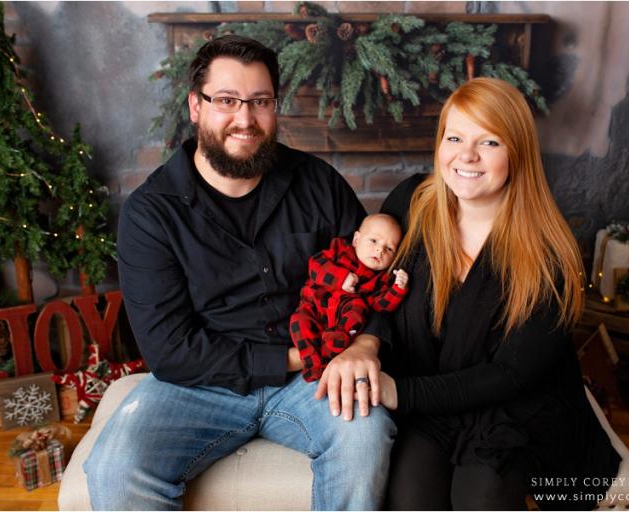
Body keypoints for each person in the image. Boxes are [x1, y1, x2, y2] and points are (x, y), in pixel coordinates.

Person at [83, 35, 395, 510]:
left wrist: (366, 344)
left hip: (315, 382)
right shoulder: (151, 213)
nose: (245, 119)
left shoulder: (317, 183)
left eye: (260, 102)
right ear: (195, 105)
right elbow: (170, 352)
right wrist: (300, 356)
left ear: (275, 106)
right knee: (114, 468)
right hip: (202, 386)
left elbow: (376, 279)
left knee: (363, 437)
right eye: (226, 100)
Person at [377, 78, 622, 510]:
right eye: (455, 137)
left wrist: (400, 392)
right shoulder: (409, 204)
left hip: (511, 409)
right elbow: (370, 290)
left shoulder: (548, 254)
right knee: (410, 501)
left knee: (483, 499)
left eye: (489, 141)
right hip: (431, 403)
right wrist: (363, 345)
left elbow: (510, 375)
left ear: (518, 153)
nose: (466, 155)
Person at [290, 213, 409, 381]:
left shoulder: (381, 279)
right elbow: (316, 265)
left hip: (341, 322)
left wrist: (398, 288)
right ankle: (313, 364)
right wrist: (340, 278)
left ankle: (333, 349)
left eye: (389, 248)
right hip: (314, 306)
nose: (380, 250)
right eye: (374, 241)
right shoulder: (339, 251)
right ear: (356, 239)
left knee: (358, 309)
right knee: (298, 322)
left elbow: (380, 305)